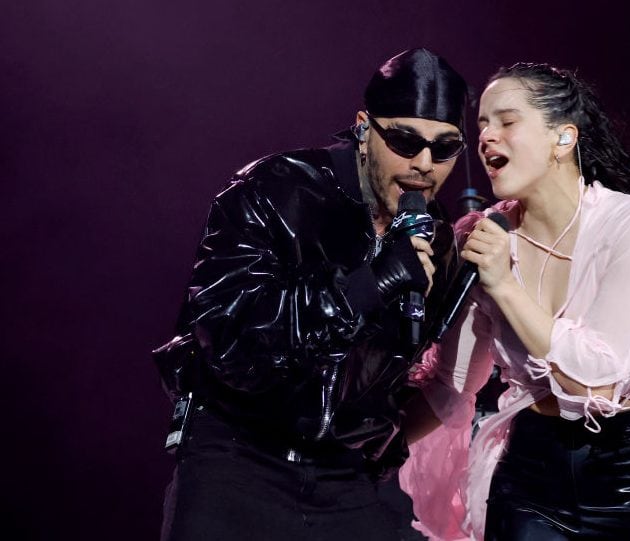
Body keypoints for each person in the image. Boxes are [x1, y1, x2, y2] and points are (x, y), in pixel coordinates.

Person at [399, 63, 630, 540]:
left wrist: (505, 286)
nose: (486, 137)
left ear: (563, 138)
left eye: (507, 121)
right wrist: (362, 454)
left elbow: (599, 380)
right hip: (531, 473)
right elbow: (452, 385)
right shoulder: (482, 236)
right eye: (482, 125)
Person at [153, 48, 469, 540]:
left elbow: (408, 374)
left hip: (347, 479)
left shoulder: (438, 239)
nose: (424, 164)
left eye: (444, 148)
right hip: (240, 462)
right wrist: (368, 285)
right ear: (365, 127)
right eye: (405, 141)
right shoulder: (274, 190)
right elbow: (232, 343)